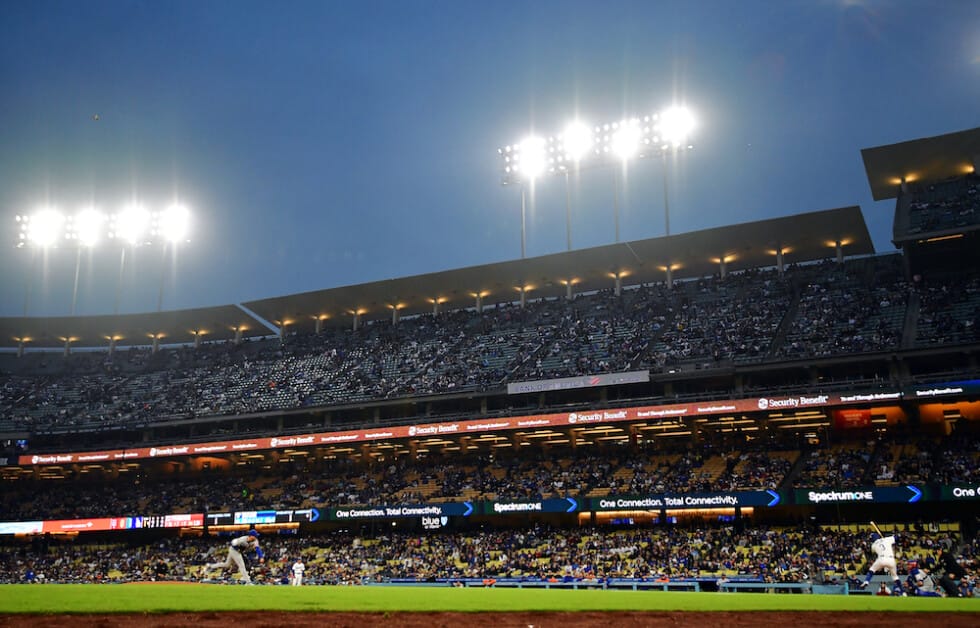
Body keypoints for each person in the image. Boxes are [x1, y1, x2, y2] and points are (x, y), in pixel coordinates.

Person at [860, 531, 903, 596]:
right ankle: (902, 591)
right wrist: (891, 536)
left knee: (872, 570)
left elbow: (870, 551)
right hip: (891, 559)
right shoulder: (887, 539)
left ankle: (866, 581)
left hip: (881, 559)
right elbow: (897, 537)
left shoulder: (873, 545)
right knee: (895, 577)